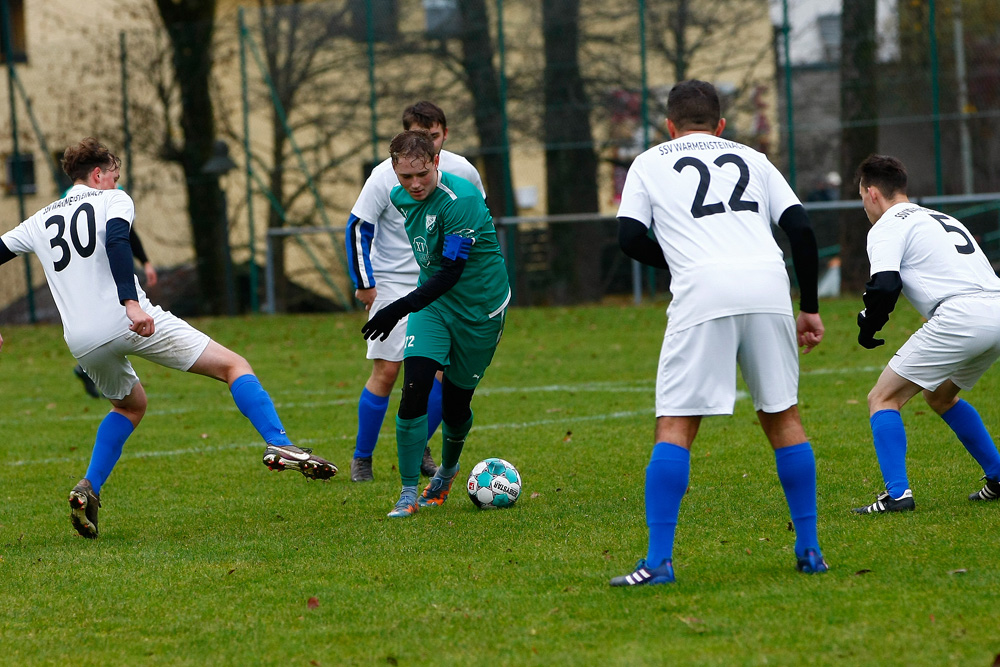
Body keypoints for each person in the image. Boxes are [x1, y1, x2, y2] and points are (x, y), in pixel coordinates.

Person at [0, 138, 338, 539]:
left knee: (129, 406)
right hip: (129, 319)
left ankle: (89, 487)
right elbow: (117, 242)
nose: (116, 182)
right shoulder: (113, 200)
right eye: (114, 176)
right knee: (234, 366)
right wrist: (131, 303)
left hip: (81, 339)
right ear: (98, 174)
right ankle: (279, 442)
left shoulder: (39, 219)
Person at [611, 79, 828, 586]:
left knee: (676, 425)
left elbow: (626, 237)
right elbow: (801, 229)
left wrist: (680, 263)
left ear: (669, 125)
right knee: (784, 417)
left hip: (704, 290)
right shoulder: (752, 158)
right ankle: (810, 550)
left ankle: (659, 562)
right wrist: (811, 307)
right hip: (769, 287)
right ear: (721, 124)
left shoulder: (650, 161)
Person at [361, 130, 509, 518]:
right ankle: (408, 493)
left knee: (457, 405)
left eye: (422, 175)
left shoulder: (462, 202)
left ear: (436, 164)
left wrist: (394, 309)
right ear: (394, 170)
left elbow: (449, 272)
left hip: (480, 310)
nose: (414, 184)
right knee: (414, 389)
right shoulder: (398, 197)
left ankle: (446, 471)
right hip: (434, 307)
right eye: (405, 176)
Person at [345, 101, 486, 483]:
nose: (427, 147)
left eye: (434, 137)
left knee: (441, 374)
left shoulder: (463, 172)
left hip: (442, 283)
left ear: (445, 135)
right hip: (393, 283)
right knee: (388, 371)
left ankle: (418, 445)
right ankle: (363, 458)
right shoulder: (383, 177)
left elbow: (477, 221)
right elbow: (359, 226)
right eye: (419, 137)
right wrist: (365, 282)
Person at [852, 154, 1000, 513]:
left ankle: (897, 494)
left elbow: (885, 285)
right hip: (996, 309)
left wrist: (868, 324)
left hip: (961, 317)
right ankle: (998, 476)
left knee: (882, 398)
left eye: (861, 197)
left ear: (872, 193)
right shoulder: (941, 217)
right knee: (941, 397)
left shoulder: (887, 225)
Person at [74, 227, 158, 399]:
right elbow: (124, 233)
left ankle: (96, 373)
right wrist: (145, 262)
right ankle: (101, 376)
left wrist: (145, 262)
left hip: (83, 275)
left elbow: (125, 231)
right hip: (101, 271)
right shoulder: (108, 201)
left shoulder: (65, 203)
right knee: (115, 322)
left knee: (107, 323)